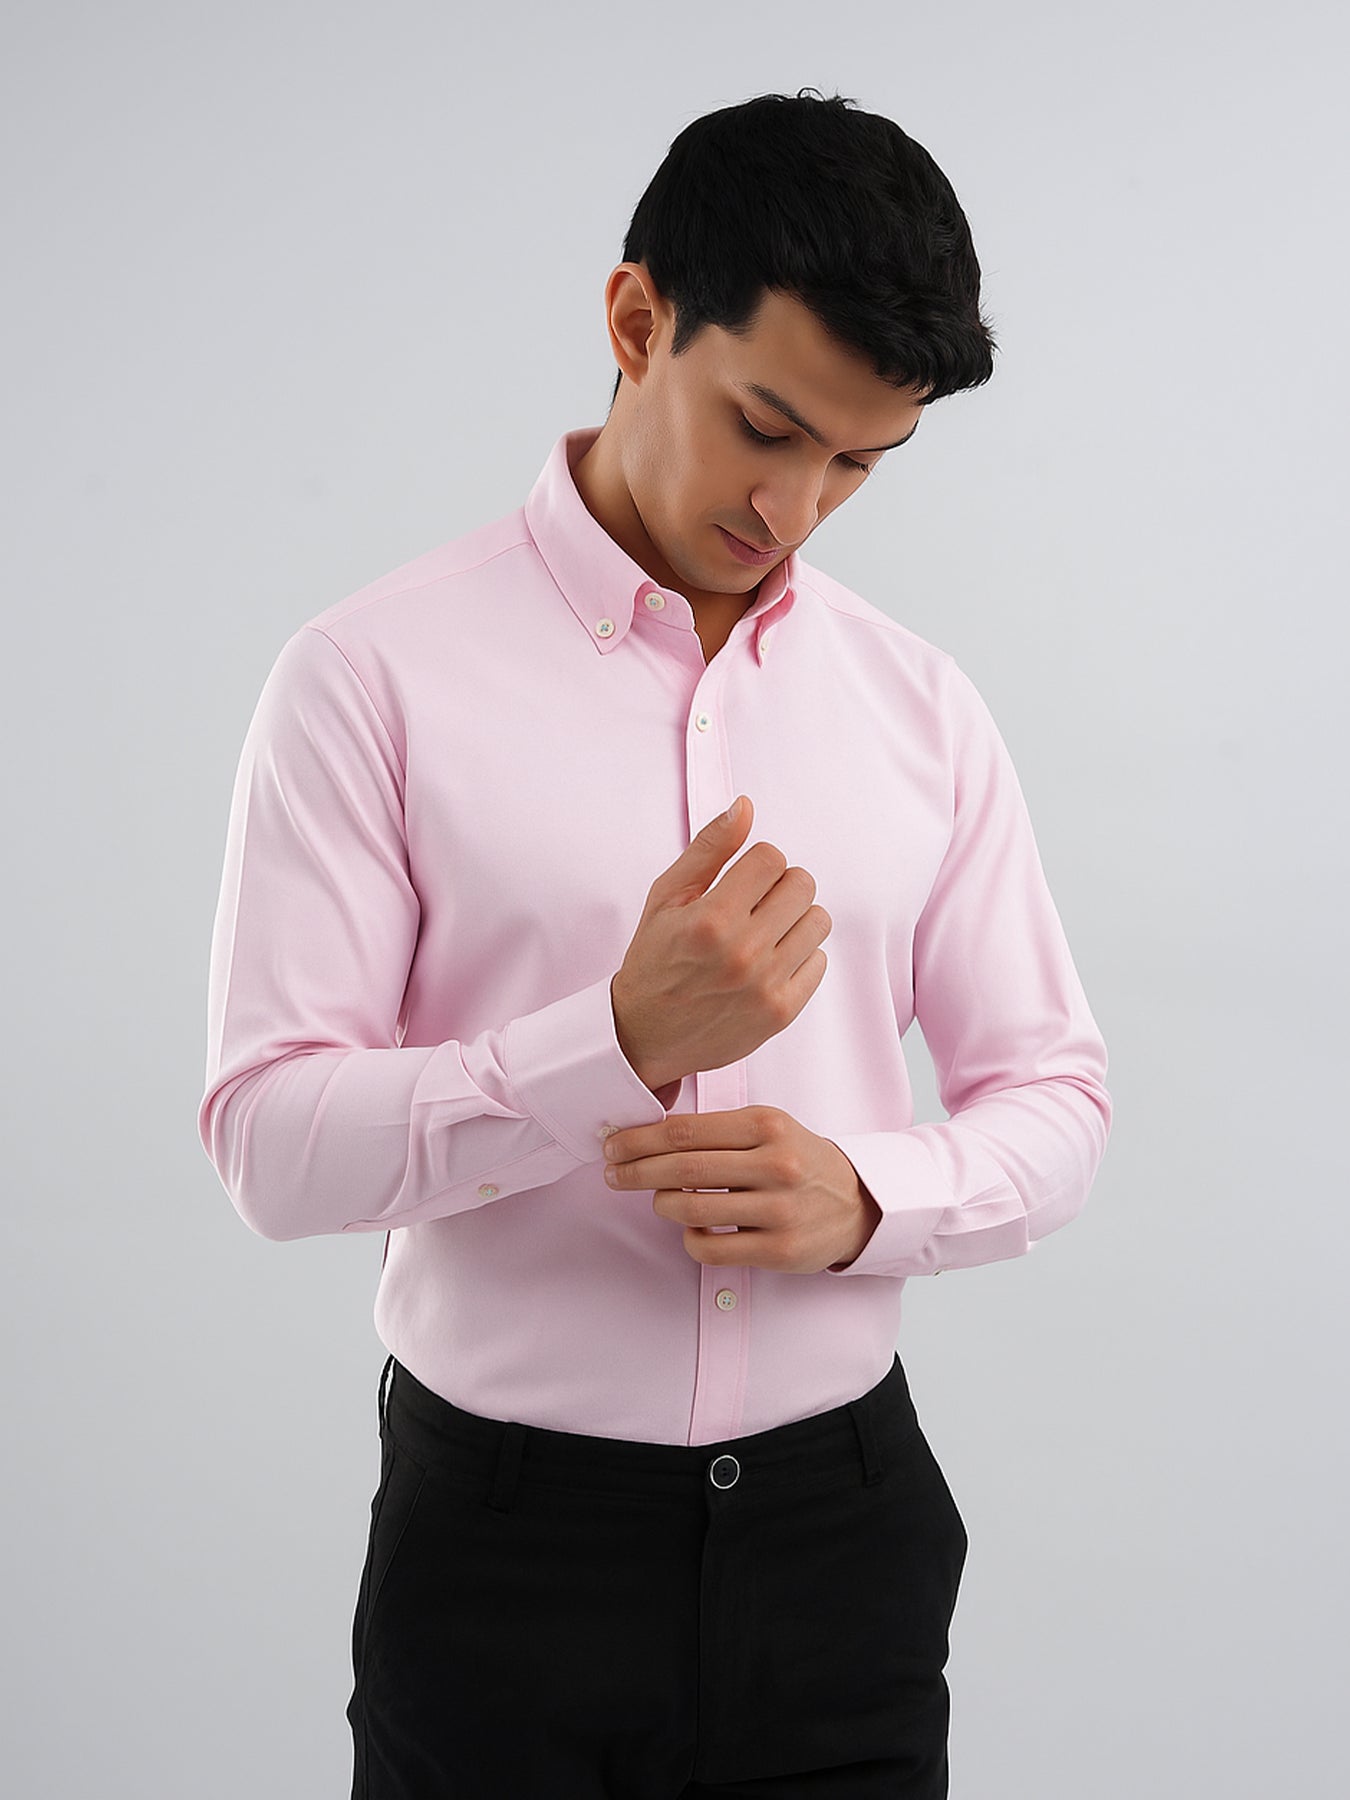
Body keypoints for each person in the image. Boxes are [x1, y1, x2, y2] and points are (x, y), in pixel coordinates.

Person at [197, 87, 1112, 1799]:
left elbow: (1054, 1095)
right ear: (636, 322)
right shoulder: (369, 681)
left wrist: (869, 1200)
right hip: (504, 1551)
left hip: (844, 1543)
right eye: (765, 426)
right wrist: (607, 1045)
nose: (796, 508)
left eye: (858, 464)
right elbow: (268, 1145)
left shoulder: (920, 708)